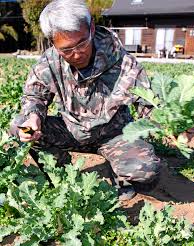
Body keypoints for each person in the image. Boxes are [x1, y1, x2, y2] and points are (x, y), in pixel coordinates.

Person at [10, 0, 161, 201]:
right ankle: (61, 172)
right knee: (20, 127)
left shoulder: (122, 61)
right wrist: (33, 117)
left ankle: (118, 170)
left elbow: (148, 103)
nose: (77, 53)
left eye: (82, 42)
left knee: (145, 171)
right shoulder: (49, 62)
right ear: (53, 43)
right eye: (66, 49)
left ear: (91, 28)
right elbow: (34, 96)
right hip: (71, 131)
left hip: (114, 136)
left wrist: (173, 124)